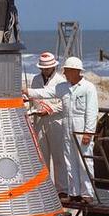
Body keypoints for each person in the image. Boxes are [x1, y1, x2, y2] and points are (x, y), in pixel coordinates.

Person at [26, 56, 98, 202]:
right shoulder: (63, 87)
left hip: (81, 127)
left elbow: (92, 112)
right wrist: (28, 91)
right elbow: (46, 92)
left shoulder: (88, 88)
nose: (64, 73)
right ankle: (74, 192)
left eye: (67, 71)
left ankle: (87, 193)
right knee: (69, 159)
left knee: (84, 161)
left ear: (75, 71)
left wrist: (88, 132)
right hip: (67, 126)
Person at [27, 51, 66, 193]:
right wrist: (32, 111)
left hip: (55, 121)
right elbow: (33, 99)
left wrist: (50, 110)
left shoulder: (61, 81)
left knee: (58, 156)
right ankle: (45, 189)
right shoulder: (36, 79)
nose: (44, 70)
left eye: (47, 68)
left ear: (53, 67)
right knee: (42, 156)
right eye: (42, 68)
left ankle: (62, 189)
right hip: (39, 120)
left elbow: (64, 103)